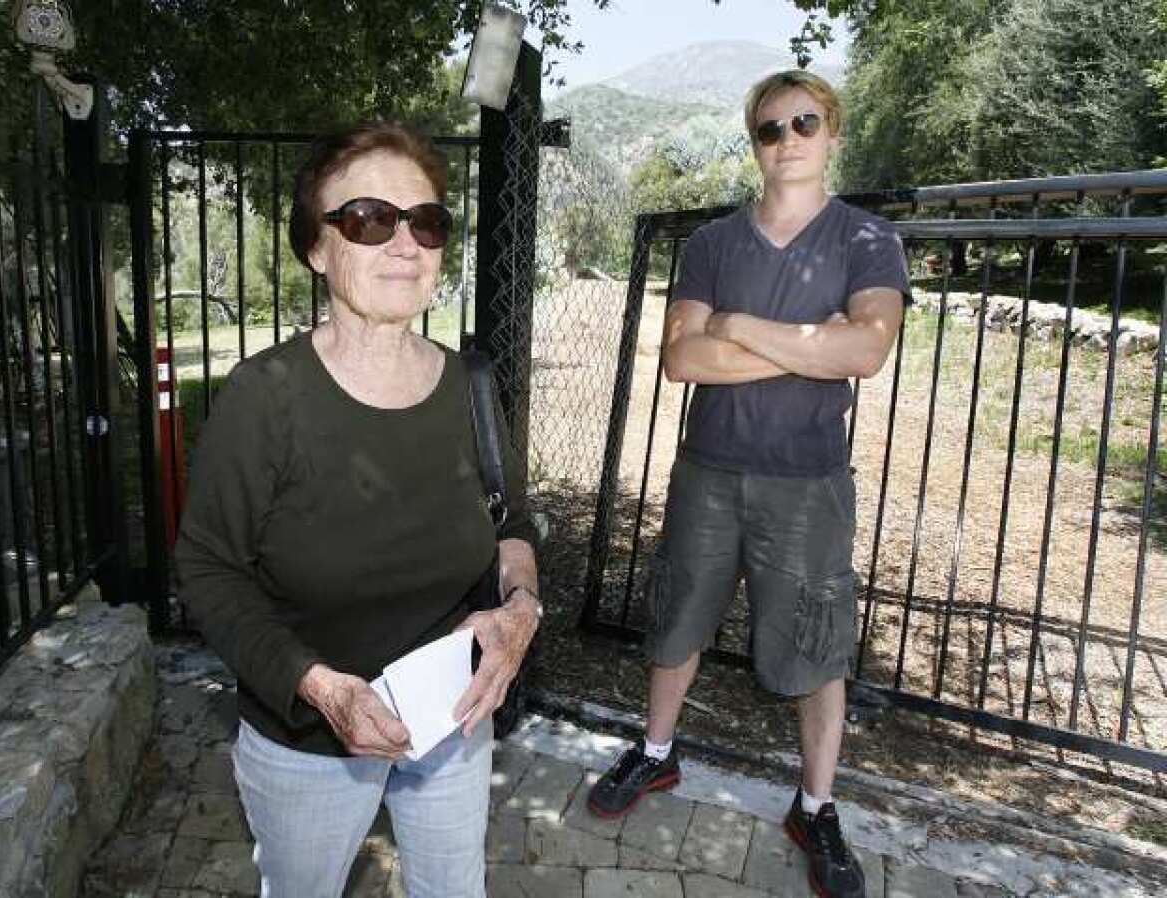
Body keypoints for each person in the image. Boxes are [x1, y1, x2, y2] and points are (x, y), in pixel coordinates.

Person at [176, 122, 541, 898]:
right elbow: (208, 570)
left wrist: (520, 609)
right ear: (316, 246)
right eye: (371, 219)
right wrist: (323, 688)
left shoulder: (472, 385)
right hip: (307, 736)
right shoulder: (265, 397)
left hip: (451, 716)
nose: (406, 243)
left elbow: (510, 525)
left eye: (428, 221)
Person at [587, 70, 909, 898]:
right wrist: (809, 340)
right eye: (770, 129)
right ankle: (656, 756)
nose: (788, 139)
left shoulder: (867, 240)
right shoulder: (712, 245)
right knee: (676, 617)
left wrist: (737, 325)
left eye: (805, 123)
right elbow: (680, 360)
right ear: (755, 143)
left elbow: (866, 352)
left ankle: (816, 806)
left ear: (832, 132)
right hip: (709, 469)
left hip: (806, 482)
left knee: (815, 642)